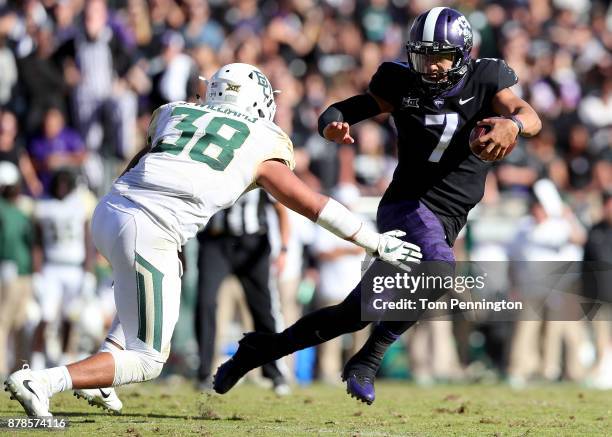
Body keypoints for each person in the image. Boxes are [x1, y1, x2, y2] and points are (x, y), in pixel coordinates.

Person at [3, 62, 421, 417]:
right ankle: (42, 379)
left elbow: (139, 164)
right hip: (149, 226)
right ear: (260, 100)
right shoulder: (262, 138)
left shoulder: (174, 113)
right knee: (148, 359)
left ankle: (97, 378)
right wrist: (374, 241)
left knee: (153, 290)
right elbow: (311, 204)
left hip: (111, 210)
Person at [213, 7, 542, 405]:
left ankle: (260, 350)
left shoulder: (487, 79)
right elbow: (342, 109)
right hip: (408, 204)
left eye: (440, 56)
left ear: (463, 55)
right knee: (439, 270)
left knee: (354, 312)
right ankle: (368, 359)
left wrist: (514, 125)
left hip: (449, 216)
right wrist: (332, 124)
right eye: (423, 55)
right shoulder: (399, 80)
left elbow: (529, 115)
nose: (431, 67)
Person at [194, 189, 290, 393]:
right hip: (215, 242)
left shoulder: (261, 165)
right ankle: (203, 372)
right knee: (205, 303)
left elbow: (281, 209)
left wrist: (283, 250)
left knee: (263, 309)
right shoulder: (213, 167)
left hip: (253, 244)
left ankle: (274, 372)